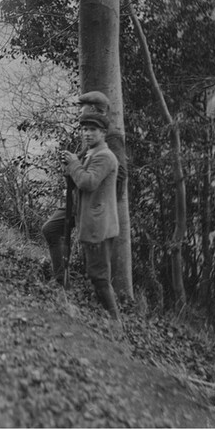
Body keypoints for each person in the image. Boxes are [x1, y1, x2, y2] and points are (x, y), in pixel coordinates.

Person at [41, 91, 128, 285]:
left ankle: (65, 281)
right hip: (80, 196)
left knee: (97, 268)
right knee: (51, 229)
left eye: (84, 108)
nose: (80, 113)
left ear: (96, 110)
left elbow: (120, 173)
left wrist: (98, 195)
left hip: (96, 202)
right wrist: (71, 163)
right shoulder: (90, 132)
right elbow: (83, 162)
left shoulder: (111, 137)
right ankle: (60, 277)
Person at [61, 109, 122, 323]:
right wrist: (72, 168)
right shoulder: (92, 154)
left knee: (99, 276)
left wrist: (74, 164)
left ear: (103, 132)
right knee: (95, 274)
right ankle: (108, 317)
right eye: (85, 129)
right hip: (94, 221)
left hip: (99, 225)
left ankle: (115, 322)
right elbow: (79, 180)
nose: (87, 134)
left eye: (93, 130)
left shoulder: (104, 156)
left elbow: (88, 182)